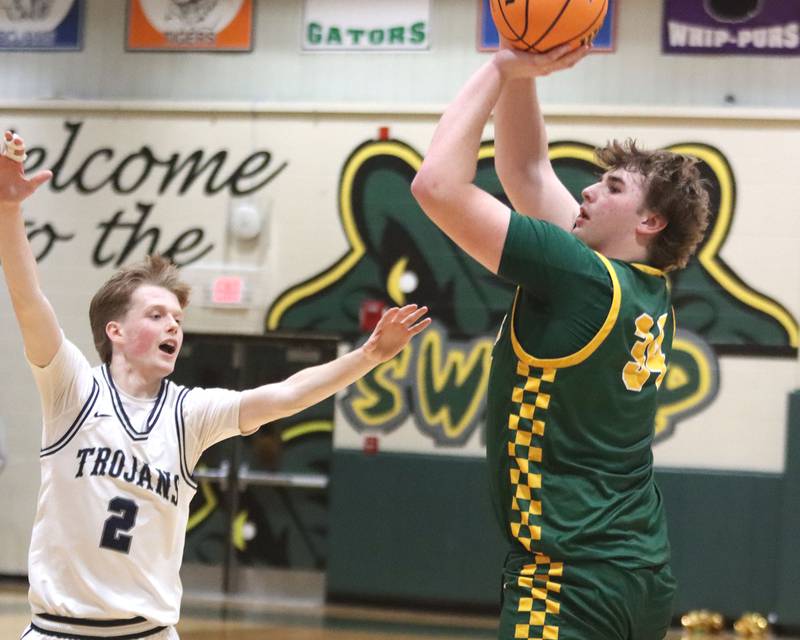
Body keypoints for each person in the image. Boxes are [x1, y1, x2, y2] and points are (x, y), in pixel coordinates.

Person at [0, 130, 431, 640]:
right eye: (157, 314)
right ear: (114, 331)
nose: (173, 327)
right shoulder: (72, 390)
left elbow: (288, 395)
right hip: (58, 630)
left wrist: (368, 355)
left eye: (177, 318)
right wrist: (8, 210)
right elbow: (29, 300)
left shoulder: (189, 414)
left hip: (148, 632)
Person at [411, 43, 710, 640]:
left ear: (649, 222)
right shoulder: (644, 290)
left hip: (569, 578)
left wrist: (497, 70)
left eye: (613, 187)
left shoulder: (579, 276)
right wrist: (522, 69)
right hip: (639, 572)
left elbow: (436, 187)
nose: (590, 192)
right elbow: (525, 171)